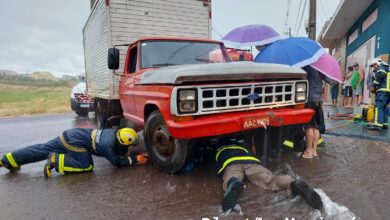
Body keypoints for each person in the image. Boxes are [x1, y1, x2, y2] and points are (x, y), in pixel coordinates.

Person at [216, 139, 323, 212]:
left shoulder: (219, 149)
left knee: (232, 177)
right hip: (252, 161)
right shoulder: (243, 147)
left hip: (231, 162)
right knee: (270, 179)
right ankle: (292, 183)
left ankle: (233, 183)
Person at [0, 127, 149, 178]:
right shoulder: (107, 146)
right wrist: (135, 159)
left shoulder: (114, 133)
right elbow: (116, 162)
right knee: (86, 165)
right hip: (76, 142)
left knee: (41, 148)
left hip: (72, 134)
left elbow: (120, 148)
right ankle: (55, 160)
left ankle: (9, 160)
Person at [302, 66, 334, 159]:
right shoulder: (320, 67)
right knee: (316, 126)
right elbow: (331, 81)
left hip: (309, 99)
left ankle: (308, 151)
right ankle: (314, 151)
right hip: (319, 100)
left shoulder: (306, 67)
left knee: (309, 126)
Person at [367, 58, 390, 131]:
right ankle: (384, 124)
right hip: (387, 92)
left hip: (382, 91)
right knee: (384, 108)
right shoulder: (387, 68)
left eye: (374, 66)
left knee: (378, 107)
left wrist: (374, 85)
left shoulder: (381, 68)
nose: (373, 68)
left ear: (377, 63)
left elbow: (381, 73)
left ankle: (377, 125)